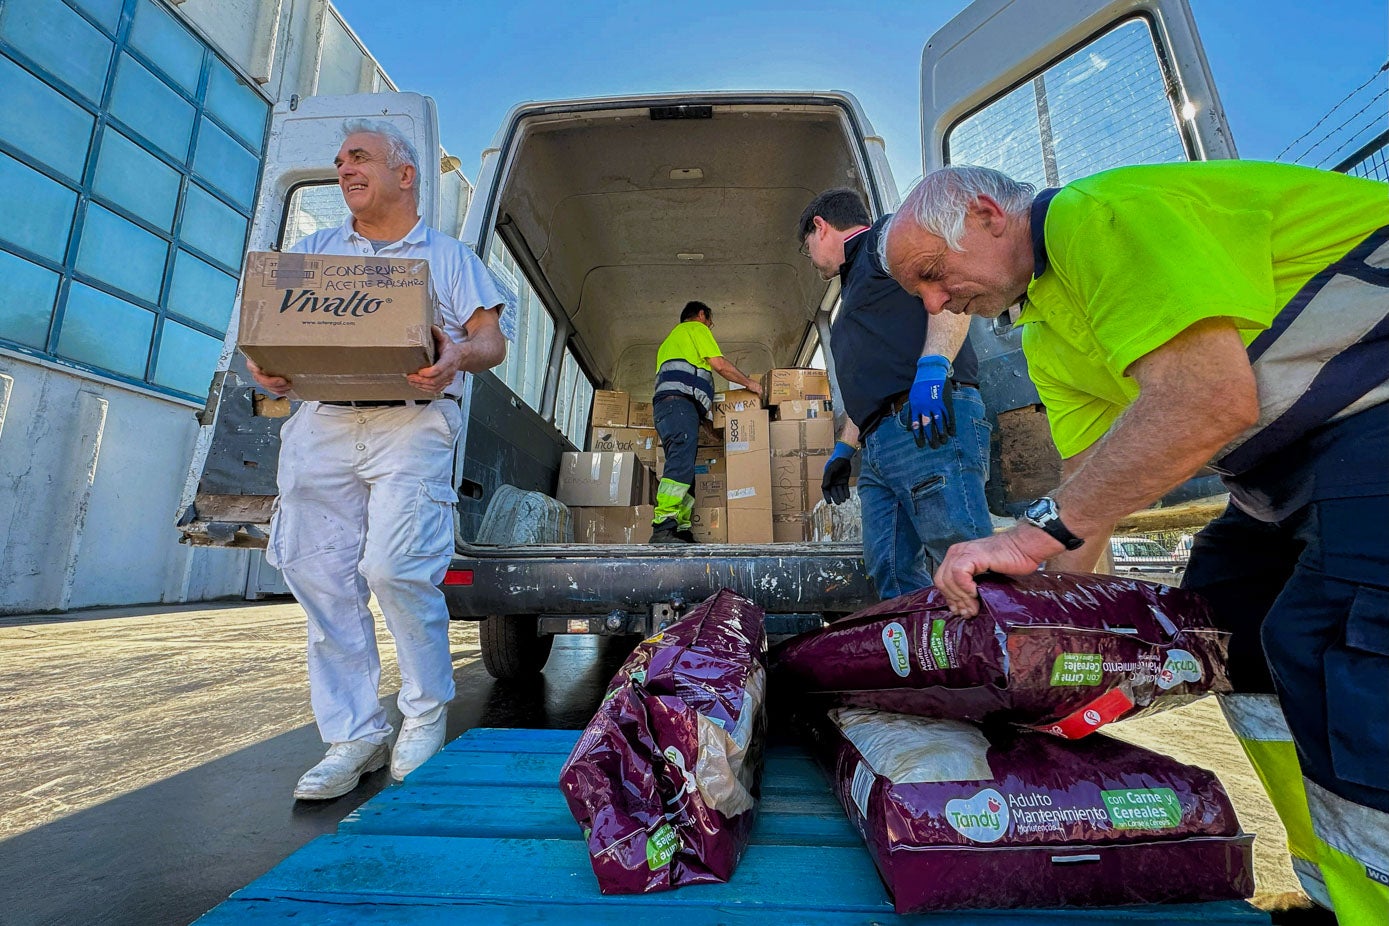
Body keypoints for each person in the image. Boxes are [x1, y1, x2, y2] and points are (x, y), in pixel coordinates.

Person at [880, 162, 1388, 923]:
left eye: (930, 272)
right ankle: (1337, 891)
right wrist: (1030, 657)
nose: (933, 301)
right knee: (1222, 623)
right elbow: (1085, 500)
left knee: (1332, 644)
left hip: (1368, 416)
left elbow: (1205, 399)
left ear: (987, 215)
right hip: (1300, 456)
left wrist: (1024, 539)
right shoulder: (1049, 329)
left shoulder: (1099, 215)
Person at [245, 119, 510, 799]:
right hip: (323, 424)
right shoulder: (313, 254)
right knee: (319, 577)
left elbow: (489, 342)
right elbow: (266, 339)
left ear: (405, 173)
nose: (344, 169)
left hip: (412, 422)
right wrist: (266, 368)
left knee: (395, 568)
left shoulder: (446, 257)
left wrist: (456, 354)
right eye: (338, 161)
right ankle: (354, 735)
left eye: (358, 157)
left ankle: (422, 714)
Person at [797, 189, 992, 598]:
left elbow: (952, 287)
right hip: (879, 447)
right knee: (889, 568)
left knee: (966, 561)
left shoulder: (886, 240)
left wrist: (933, 370)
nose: (810, 258)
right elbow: (872, 380)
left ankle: (1006, 656)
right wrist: (844, 451)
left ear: (821, 227)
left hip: (924, 423)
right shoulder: (852, 288)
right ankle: (926, 657)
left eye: (807, 248)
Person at [649, 301, 762, 543]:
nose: (710, 327)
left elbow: (688, 385)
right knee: (681, 464)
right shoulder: (695, 329)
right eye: (710, 321)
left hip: (670, 409)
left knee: (684, 467)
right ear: (701, 315)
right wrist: (750, 384)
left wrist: (713, 429)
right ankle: (663, 525)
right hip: (678, 406)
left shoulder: (671, 342)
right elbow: (719, 365)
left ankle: (680, 528)